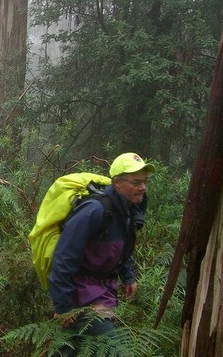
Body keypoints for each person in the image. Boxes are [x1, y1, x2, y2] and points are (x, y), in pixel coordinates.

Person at [49, 152, 155, 356]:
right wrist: (63, 307)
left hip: (103, 292)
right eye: (136, 182)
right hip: (80, 295)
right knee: (114, 350)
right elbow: (63, 258)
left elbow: (123, 249)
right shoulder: (94, 211)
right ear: (117, 183)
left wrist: (128, 276)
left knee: (67, 350)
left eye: (144, 181)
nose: (142, 187)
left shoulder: (126, 211)